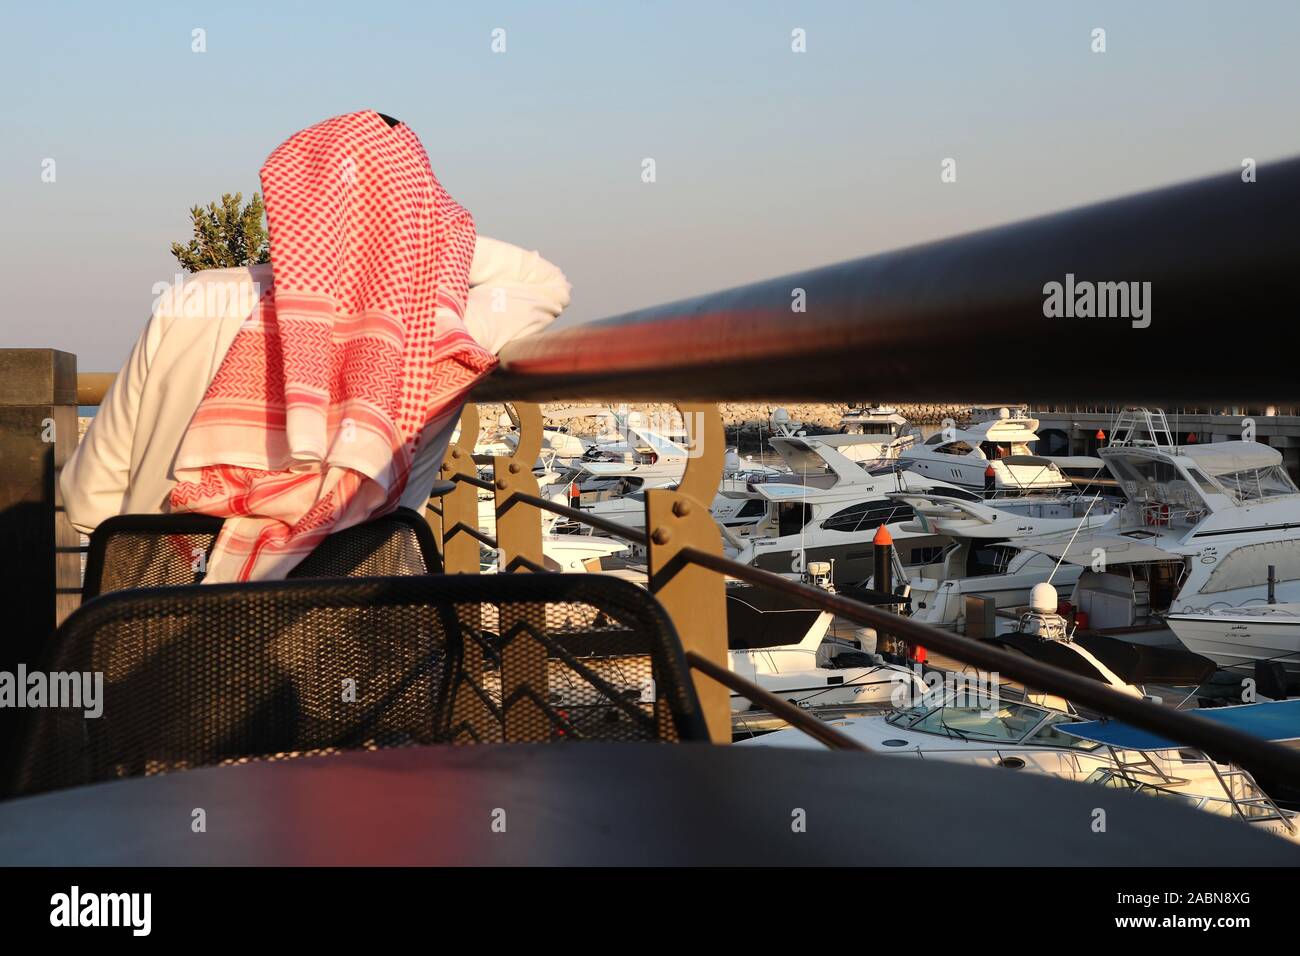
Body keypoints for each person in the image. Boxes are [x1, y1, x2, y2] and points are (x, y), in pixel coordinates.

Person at [61, 110, 570, 581]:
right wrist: (413, 226)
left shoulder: (192, 301)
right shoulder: (434, 340)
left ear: (299, 205)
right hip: (339, 662)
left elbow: (88, 503)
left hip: (151, 649)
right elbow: (544, 282)